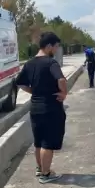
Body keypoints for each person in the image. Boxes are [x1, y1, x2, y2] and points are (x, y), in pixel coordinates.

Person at [16, 32, 67, 184]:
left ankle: (40, 169)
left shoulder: (29, 63)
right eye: (56, 47)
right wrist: (64, 93)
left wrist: (34, 91)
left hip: (35, 108)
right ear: (49, 46)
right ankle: (46, 174)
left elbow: (20, 83)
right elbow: (61, 79)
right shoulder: (51, 63)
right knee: (48, 143)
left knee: (38, 141)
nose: (57, 50)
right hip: (50, 108)